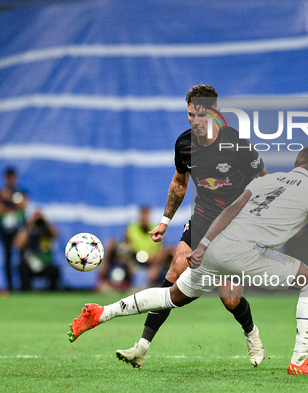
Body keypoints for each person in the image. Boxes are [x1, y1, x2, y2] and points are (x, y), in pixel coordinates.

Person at [68, 146, 308, 376]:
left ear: (295, 164)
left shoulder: (265, 181)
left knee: (173, 295)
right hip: (247, 252)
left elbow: (230, 211)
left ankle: (102, 313)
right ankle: (300, 361)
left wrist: (205, 245)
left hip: (218, 243)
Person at [115, 84, 269, 369]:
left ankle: (251, 333)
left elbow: (263, 179)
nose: (195, 121)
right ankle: (142, 347)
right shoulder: (184, 144)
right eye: (190, 115)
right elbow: (179, 183)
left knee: (230, 300)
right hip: (202, 218)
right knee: (174, 273)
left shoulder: (236, 144)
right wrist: (164, 222)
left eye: (200, 115)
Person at [0, 167, 27, 292]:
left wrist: (8, 200)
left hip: (19, 230)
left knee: (22, 258)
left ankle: (24, 285)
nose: (11, 180)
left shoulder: (19, 192)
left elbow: (23, 205)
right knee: (7, 258)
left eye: (12, 177)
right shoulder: (0, 193)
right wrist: (14, 204)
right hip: (5, 230)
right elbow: (0, 209)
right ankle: (10, 286)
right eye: (9, 177)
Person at [125, 206, 173, 286]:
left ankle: (151, 283)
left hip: (152, 261)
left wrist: (152, 257)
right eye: (142, 216)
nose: (144, 219)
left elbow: (160, 248)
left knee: (165, 254)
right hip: (134, 259)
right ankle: (126, 283)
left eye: (146, 216)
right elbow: (127, 245)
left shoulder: (156, 229)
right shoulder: (131, 229)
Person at [15, 210, 60, 291]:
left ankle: (52, 291)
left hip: (45, 262)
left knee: (55, 270)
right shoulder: (28, 229)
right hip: (30, 262)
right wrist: (30, 225)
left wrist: (44, 221)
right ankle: (25, 291)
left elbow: (56, 234)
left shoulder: (46, 229)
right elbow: (18, 245)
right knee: (22, 267)